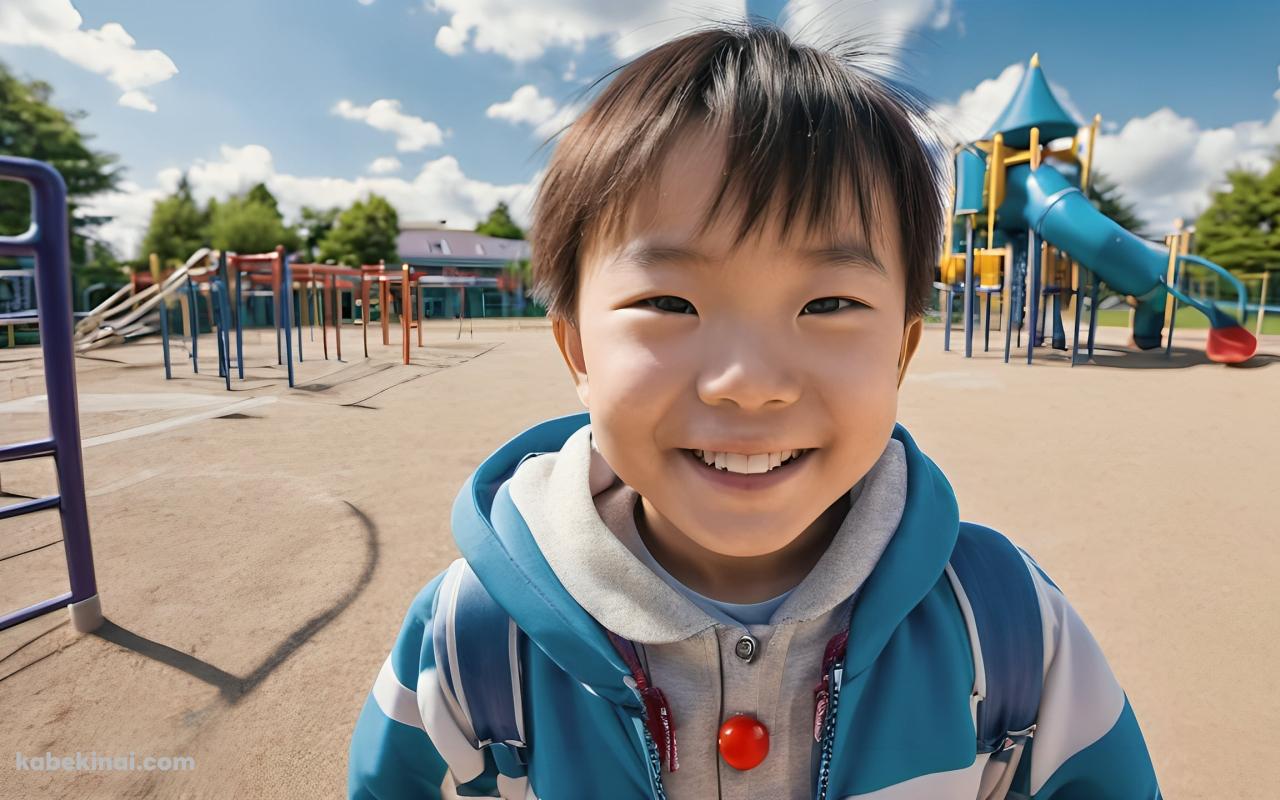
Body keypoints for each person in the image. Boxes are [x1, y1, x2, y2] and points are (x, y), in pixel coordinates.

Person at [348, 20, 1161, 799]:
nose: (748, 382)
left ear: (903, 354)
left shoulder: (1008, 626)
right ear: (578, 355)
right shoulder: (473, 640)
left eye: (830, 303)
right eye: (669, 300)